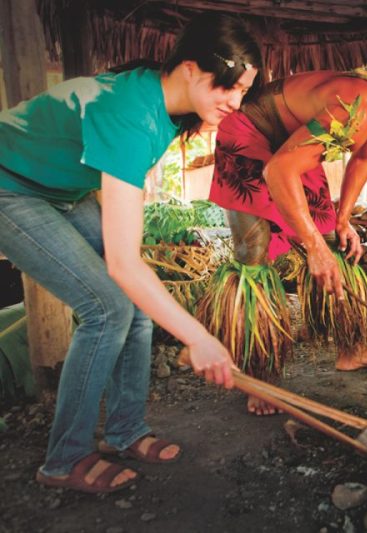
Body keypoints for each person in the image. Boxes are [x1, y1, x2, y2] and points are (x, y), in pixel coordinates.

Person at [0, 13, 261, 493]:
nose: (235, 102)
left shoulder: (167, 106)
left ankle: (124, 432)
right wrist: (197, 337)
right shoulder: (130, 111)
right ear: (188, 67)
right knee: (106, 306)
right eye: (227, 87)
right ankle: (65, 459)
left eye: (243, 91)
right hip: (11, 187)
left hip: (59, 189)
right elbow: (123, 264)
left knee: (133, 306)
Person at [207, 41, 367, 413]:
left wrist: (342, 218)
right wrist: (312, 247)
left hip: (293, 142)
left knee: (335, 241)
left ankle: (352, 349)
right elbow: (279, 170)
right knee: (254, 254)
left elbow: (363, 158)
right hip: (249, 134)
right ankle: (257, 377)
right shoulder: (361, 103)